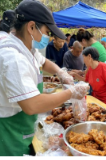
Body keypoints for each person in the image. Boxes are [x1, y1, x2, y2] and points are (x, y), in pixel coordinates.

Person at [0, 0, 89, 157]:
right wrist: (71, 92)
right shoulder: (13, 57)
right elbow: (32, 105)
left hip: (23, 125)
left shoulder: (25, 47)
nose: (47, 37)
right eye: (47, 32)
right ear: (31, 27)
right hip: (10, 133)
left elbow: (44, 61)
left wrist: (61, 72)